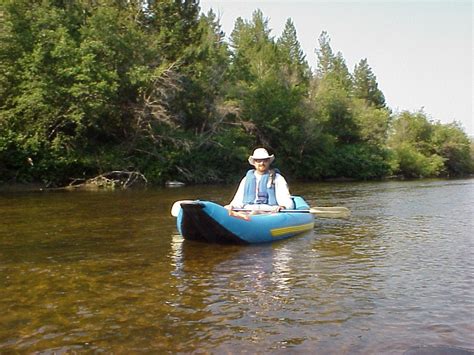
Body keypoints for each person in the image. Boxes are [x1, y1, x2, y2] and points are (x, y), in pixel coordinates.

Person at [224, 148, 294, 212]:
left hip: (270, 211)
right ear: (254, 163)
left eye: (265, 160)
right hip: (249, 210)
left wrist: (283, 207)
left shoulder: (277, 178)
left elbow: (285, 199)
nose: (262, 163)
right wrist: (232, 206)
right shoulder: (246, 180)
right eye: (258, 161)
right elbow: (238, 201)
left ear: (269, 162)